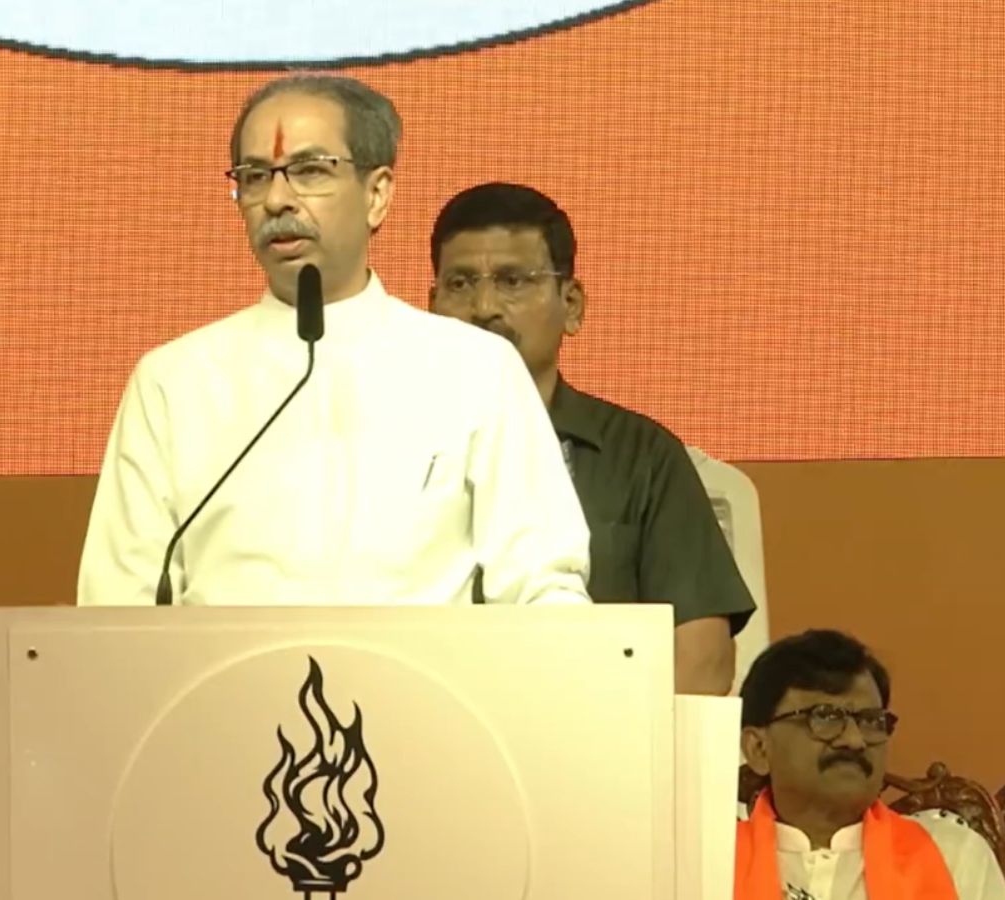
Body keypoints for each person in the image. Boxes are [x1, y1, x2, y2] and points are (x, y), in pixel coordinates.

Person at [78, 75, 591, 609]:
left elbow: (543, 589)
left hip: (417, 667)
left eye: (309, 171)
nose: (277, 200)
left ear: (376, 195)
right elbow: (115, 608)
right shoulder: (175, 380)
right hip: (217, 668)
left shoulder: (476, 368)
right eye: (255, 177)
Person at [427, 182, 753, 694]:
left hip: (598, 732)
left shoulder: (642, 456)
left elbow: (702, 658)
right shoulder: (392, 441)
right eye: (460, 283)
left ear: (572, 304)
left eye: (513, 280)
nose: (484, 306)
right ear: (431, 306)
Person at [736, 629, 1005, 899]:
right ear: (758, 748)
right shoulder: (718, 861)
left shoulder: (953, 854)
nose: (854, 740)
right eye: (825, 716)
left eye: (871, 720)